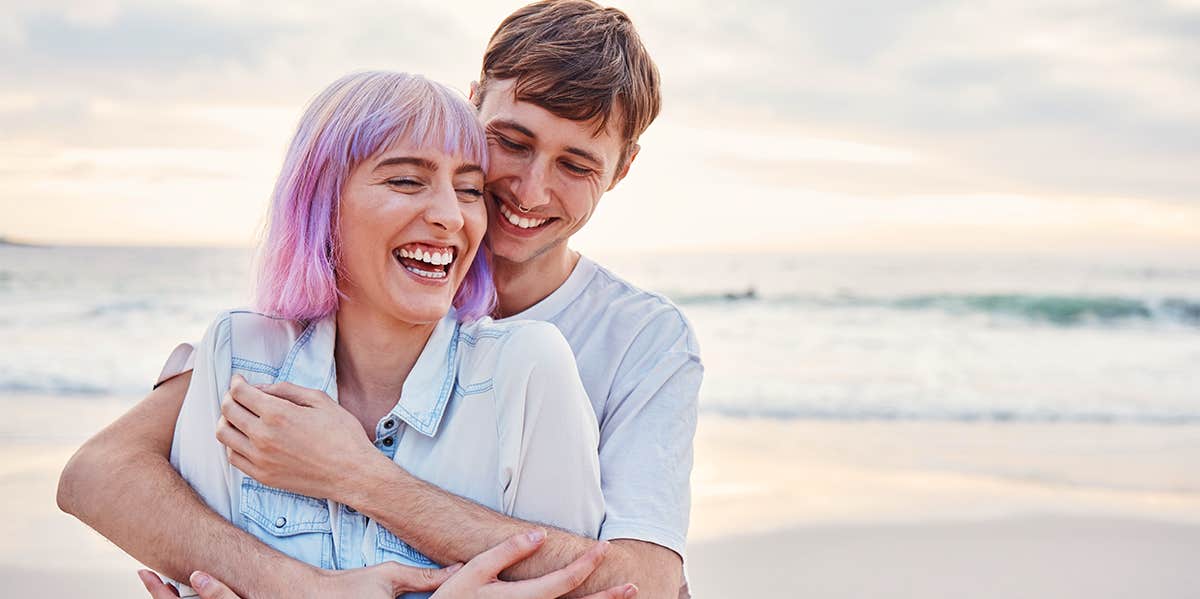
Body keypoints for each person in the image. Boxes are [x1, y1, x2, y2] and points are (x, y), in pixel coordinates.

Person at [58, 2, 700, 598]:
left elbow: (641, 580)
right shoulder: (352, 296)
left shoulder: (637, 337)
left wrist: (359, 477)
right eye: (513, 142)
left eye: (577, 165)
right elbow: (102, 473)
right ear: (473, 106)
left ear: (622, 170)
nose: (529, 190)